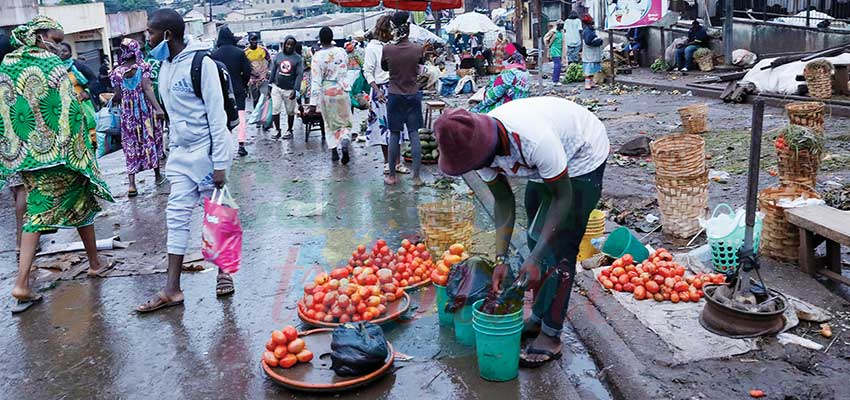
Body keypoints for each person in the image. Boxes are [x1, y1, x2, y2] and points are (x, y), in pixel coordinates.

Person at [433, 97, 608, 368]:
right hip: (542, 168)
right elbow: (503, 201)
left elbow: (562, 198)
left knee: (559, 247)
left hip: (582, 155)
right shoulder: (477, 147)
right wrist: (501, 259)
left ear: (486, 148)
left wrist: (537, 258)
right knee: (535, 239)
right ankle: (538, 316)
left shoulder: (533, 139)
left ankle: (551, 334)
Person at [0, 16, 114, 313]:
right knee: (43, 215)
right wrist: (81, 151)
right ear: (39, 35)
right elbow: (70, 111)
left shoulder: (7, 65)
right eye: (56, 38)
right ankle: (22, 283)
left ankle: (94, 262)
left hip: (27, 157)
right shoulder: (51, 66)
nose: (58, 45)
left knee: (77, 206)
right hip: (61, 156)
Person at [136, 9, 234, 313]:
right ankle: (172, 289)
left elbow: (217, 117)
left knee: (216, 215)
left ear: (166, 35)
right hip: (180, 154)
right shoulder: (164, 66)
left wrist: (219, 163)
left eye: (150, 33)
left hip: (206, 153)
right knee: (176, 217)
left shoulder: (200, 63)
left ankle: (224, 272)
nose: (146, 39)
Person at [110, 38, 166, 197]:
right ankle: (157, 175)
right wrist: (158, 108)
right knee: (150, 139)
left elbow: (118, 95)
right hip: (145, 111)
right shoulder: (143, 67)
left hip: (128, 114)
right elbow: (147, 89)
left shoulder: (117, 72)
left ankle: (132, 184)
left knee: (130, 144)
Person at [381, 11, 424, 186]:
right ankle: (416, 177)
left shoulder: (387, 49)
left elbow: (385, 68)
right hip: (413, 95)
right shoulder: (417, 48)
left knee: (394, 134)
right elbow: (420, 68)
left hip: (394, 95)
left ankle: (392, 176)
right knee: (414, 134)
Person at [363, 15, 410, 175]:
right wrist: (377, 91)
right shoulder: (372, 48)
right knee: (384, 129)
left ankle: (397, 162)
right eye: (391, 30)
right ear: (384, 30)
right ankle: (387, 162)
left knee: (397, 128)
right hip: (381, 92)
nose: (393, 33)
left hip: (396, 89)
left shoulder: (392, 46)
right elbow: (367, 72)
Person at [309, 27, 353, 164]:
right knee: (345, 120)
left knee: (329, 123)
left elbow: (316, 81)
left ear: (320, 40)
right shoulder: (341, 52)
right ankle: (345, 138)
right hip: (342, 90)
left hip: (327, 93)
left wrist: (312, 103)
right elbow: (345, 68)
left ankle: (334, 150)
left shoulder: (317, 57)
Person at [212, 26, 252, 155]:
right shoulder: (239, 52)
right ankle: (241, 144)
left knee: (224, 118)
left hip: (221, 90)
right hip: (238, 88)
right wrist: (243, 83)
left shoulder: (214, 54)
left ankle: (226, 145)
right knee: (240, 116)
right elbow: (247, 71)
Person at [59, 42, 99, 149]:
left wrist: (87, 92)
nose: (62, 53)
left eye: (65, 51)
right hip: (67, 104)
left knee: (89, 125)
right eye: (60, 51)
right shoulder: (56, 68)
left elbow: (93, 79)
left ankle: (93, 146)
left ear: (71, 53)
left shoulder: (77, 66)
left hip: (83, 102)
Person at [471, 43, 530, 114]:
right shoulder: (524, 71)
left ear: (511, 57)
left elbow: (491, 97)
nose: (502, 57)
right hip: (518, 108)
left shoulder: (508, 74)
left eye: (504, 54)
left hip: (503, 110)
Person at [270, 36, 303, 140]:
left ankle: (289, 130)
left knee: (290, 111)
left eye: (291, 45)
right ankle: (277, 130)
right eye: (287, 44)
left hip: (290, 90)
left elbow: (299, 75)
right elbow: (273, 70)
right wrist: (269, 85)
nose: (289, 46)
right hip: (277, 88)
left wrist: (295, 90)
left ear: (294, 46)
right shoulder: (278, 56)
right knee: (275, 109)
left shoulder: (298, 59)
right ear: (284, 44)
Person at [245, 33, 271, 104]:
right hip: (252, 79)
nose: (254, 42)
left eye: (255, 40)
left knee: (263, 98)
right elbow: (244, 66)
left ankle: (264, 114)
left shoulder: (263, 50)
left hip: (263, 78)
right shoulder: (245, 52)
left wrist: (268, 71)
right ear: (249, 41)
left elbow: (270, 61)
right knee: (255, 100)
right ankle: (256, 114)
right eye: (252, 40)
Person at [581, 15, 604, 90]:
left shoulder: (589, 30)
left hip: (592, 53)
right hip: (590, 53)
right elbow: (588, 42)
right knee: (589, 70)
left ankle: (591, 82)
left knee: (593, 69)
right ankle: (587, 83)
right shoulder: (588, 31)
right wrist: (598, 42)